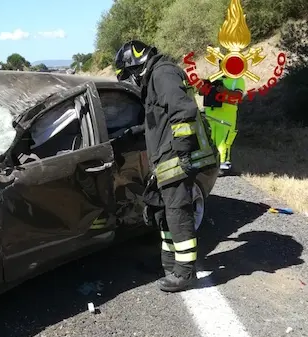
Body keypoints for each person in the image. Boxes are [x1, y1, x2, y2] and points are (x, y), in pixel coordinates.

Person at [113, 40, 218, 292]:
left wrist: (182, 153)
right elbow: (157, 121)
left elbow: (183, 111)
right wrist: (133, 132)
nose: (131, 80)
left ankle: (184, 273)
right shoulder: (153, 81)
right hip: (164, 158)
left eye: (129, 74)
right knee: (163, 212)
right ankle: (169, 264)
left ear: (137, 65)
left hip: (176, 158)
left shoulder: (163, 73)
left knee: (177, 212)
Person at [202, 73, 245, 175]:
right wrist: (204, 86)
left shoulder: (238, 80)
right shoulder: (214, 78)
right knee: (209, 141)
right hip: (211, 116)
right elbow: (201, 92)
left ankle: (223, 166)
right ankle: (208, 165)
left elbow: (238, 96)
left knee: (223, 142)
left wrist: (225, 90)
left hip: (226, 118)